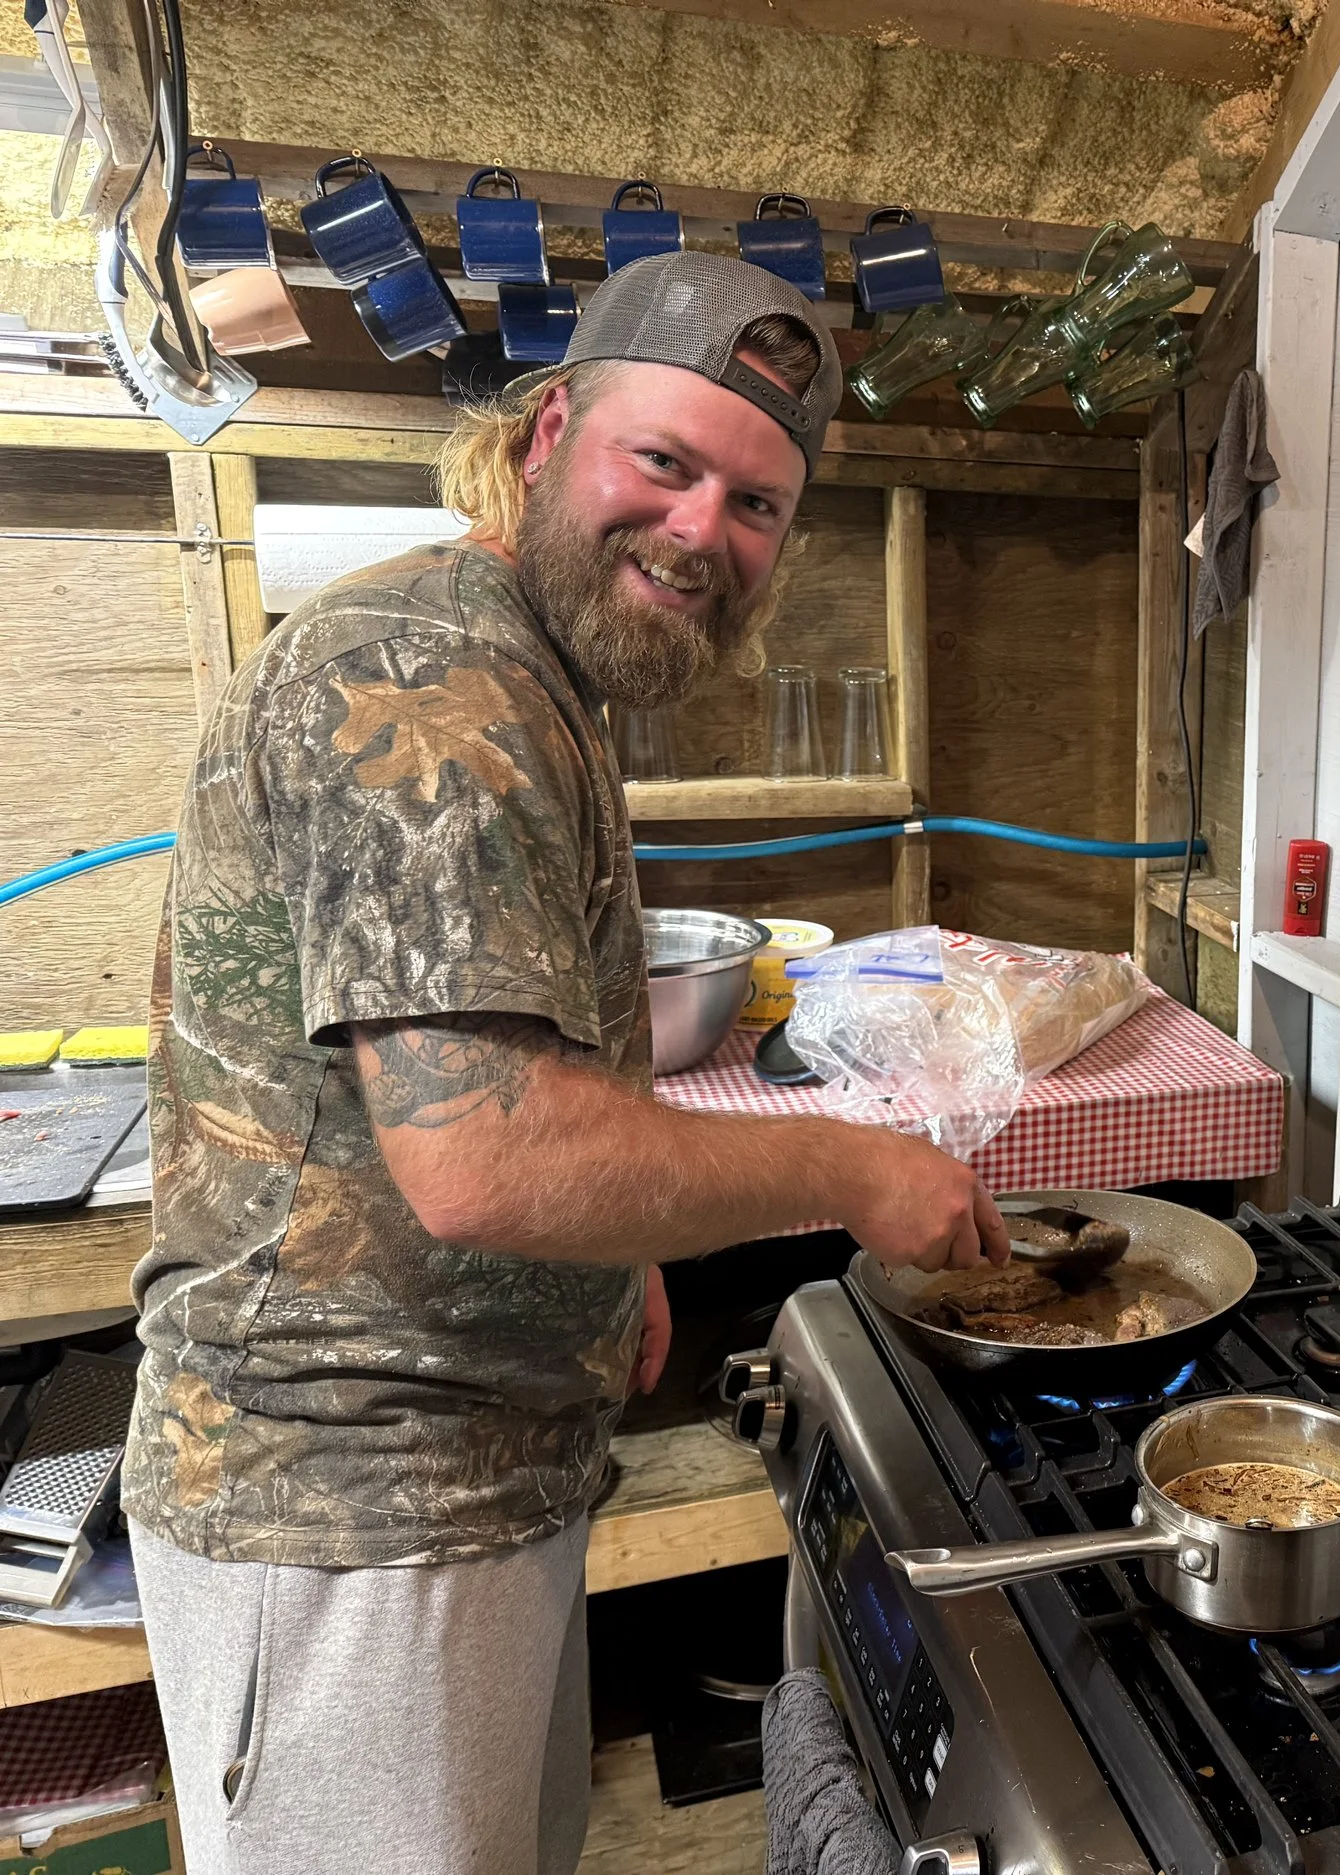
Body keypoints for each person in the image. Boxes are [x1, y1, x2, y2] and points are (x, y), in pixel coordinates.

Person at [126, 250, 1010, 1875]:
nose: (702, 532)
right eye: (662, 464)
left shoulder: (534, 670)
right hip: (348, 1512)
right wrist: (855, 1164)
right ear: (544, 441)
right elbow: (487, 1154)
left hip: (465, 1489)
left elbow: (523, 1083)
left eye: (755, 503)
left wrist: (623, 1262)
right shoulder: (431, 678)